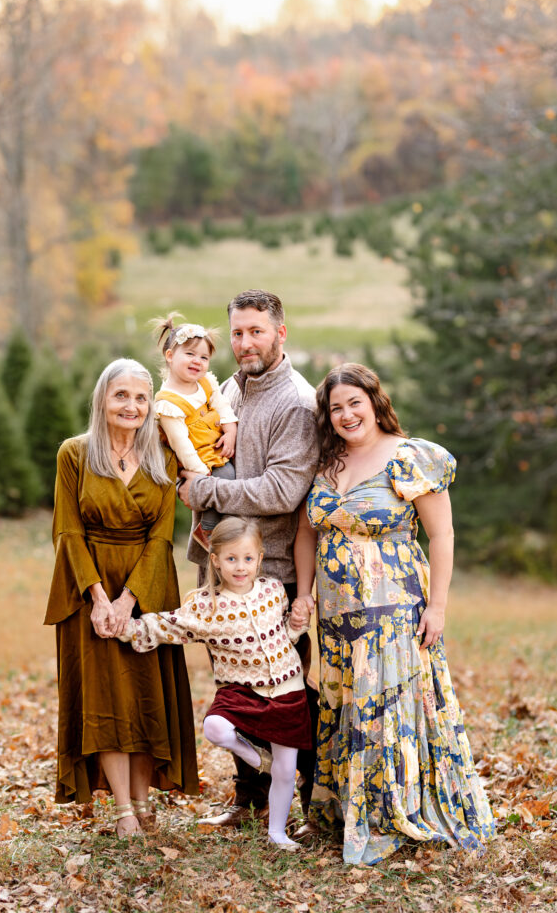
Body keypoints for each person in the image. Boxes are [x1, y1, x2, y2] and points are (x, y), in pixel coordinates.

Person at [293, 362, 496, 864]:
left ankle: (391, 812)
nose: (345, 414)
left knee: (387, 707)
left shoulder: (409, 458)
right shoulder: (326, 465)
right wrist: (305, 593)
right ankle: (348, 811)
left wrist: (439, 606)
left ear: (374, 402)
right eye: (335, 408)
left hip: (395, 608)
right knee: (346, 703)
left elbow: (442, 535)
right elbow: (306, 532)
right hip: (338, 615)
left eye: (353, 403)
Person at [178, 289, 319, 833]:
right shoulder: (226, 389)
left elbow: (283, 491)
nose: (244, 342)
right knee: (236, 689)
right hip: (222, 571)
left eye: (256, 331)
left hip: (273, 574)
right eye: (237, 332)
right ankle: (248, 798)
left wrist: (208, 490)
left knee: (285, 695)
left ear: (281, 332)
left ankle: (307, 805)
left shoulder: (296, 404)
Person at [44, 358, 199, 838]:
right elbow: (68, 530)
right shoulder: (75, 453)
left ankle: (144, 799)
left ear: (150, 404)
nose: (130, 406)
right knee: (105, 697)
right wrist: (98, 599)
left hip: (147, 585)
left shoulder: (163, 457)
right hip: (87, 583)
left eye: (140, 397)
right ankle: (123, 812)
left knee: (145, 693)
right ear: (102, 401)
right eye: (121, 396)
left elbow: (160, 537)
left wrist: (129, 601)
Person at [112, 517, 312, 851]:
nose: (240, 567)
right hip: (242, 690)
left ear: (260, 559)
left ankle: (277, 832)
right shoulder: (207, 605)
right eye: (231, 559)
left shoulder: (273, 591)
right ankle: (256, 758)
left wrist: (295, 625)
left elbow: (284, 638)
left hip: (288, 689)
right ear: (216, 560)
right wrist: (126, 628)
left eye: (248, 559)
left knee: (286, 770)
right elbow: (170, 626)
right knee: (216, 729)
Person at [153, 313, 238, 550]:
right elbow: (181, 445)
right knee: (226, 479)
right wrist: (202, 476)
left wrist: (230, 431)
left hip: (216, 448)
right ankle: (207, 531)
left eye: (204, 357)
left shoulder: (206, 383)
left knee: (232, 478)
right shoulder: (168, 402)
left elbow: (223, 407)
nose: (197, 361)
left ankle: (222, 529)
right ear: (170, 356)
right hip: (199, 459)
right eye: (189, 354)